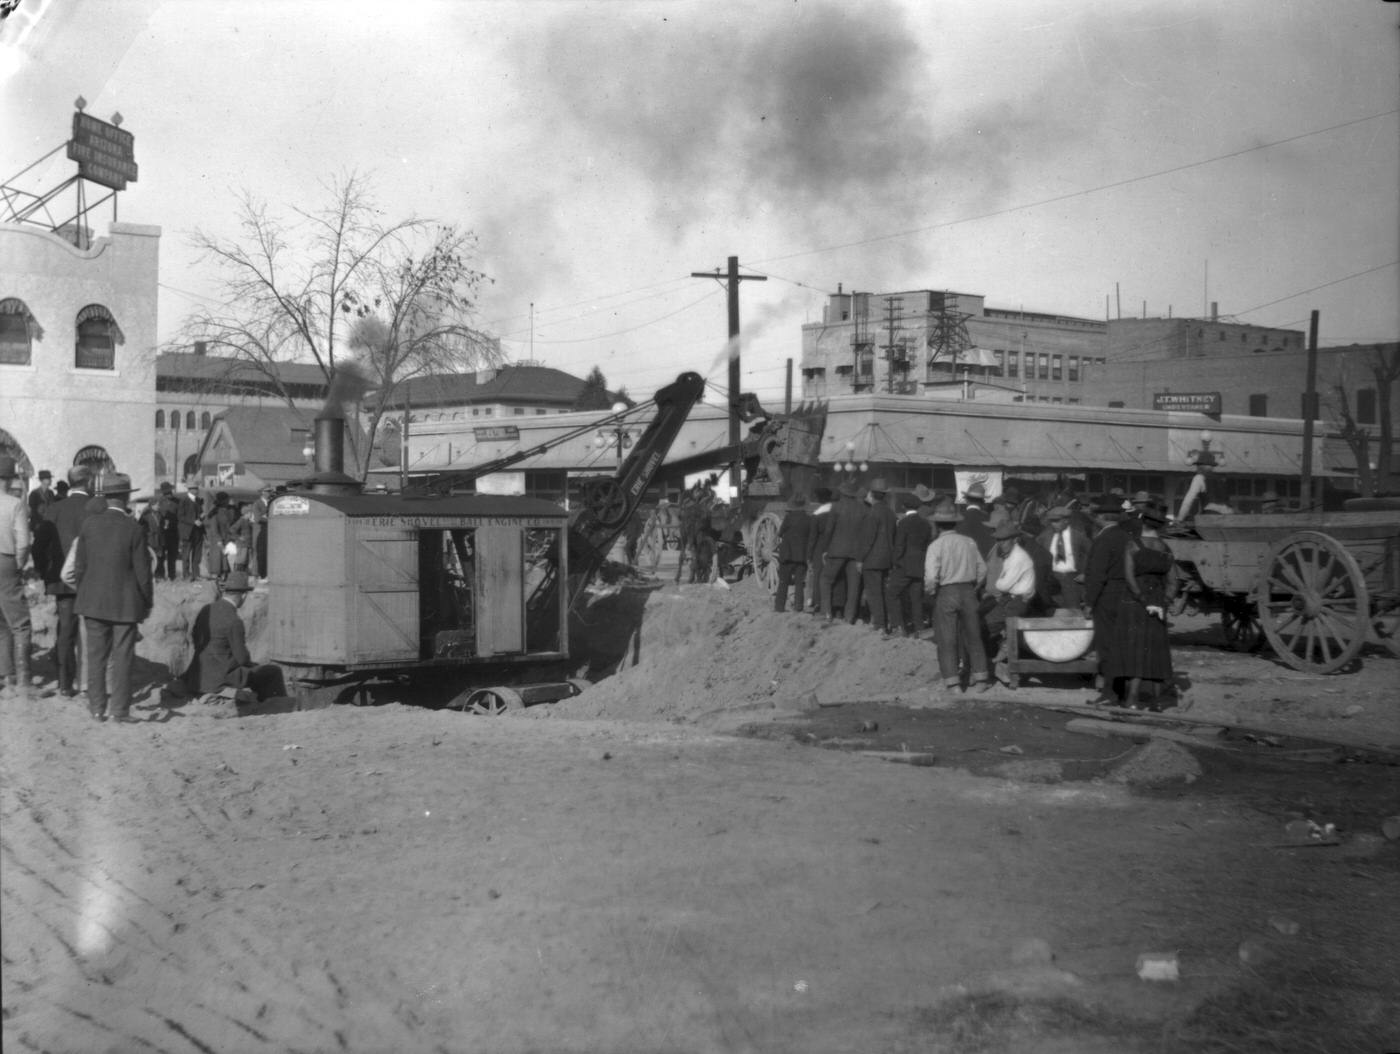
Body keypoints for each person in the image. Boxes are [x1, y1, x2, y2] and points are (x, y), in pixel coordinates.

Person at [69, 473, 153, 723]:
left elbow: (80, 566)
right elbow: (143, 574)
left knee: (96, 658)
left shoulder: (89, 525)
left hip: (93, 602)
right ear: (126, 497)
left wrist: (87, 591)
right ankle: (119, 711)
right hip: (125, 606)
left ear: (104, 498)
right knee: (123, 658)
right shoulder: (134, 528)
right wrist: (146, 603)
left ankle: (96, 709)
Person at [1105, 503, 1180, 710]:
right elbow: (1174, 582)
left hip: (1133, 602)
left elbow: (1129, 579)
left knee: (1134, 651)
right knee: (1155, 650)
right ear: (1160, 526)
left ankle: (1132, 700)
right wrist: (1162, 602)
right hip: (1158, 601)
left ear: (1143, 522)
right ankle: (1157, 702)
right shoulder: (1166, 548)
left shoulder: (1133, 545)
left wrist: (1145, 602)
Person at [41, 466, 97, 698]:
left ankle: (65, 684)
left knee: (66, 630)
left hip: (62, 582)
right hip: (92, 579)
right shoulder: (96, 507)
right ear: (89, 481)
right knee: (92, 631)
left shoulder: (54, 509)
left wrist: (47, 571)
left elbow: (39, 545)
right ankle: (88, 683)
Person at [923, 499, 989, 692]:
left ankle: (953, 683)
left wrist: (932, 592)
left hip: (947, 591)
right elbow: (983, 570)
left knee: (947, 638)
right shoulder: (969, 542)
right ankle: (981, 679)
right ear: (956, 523)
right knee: (974, 636)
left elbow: (930, 578)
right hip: (968, 591)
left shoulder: (936, 546)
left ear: (936, 523)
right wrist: (974, 588)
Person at [183, 570, 276, 703]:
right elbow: (242, 659)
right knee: (272, 672)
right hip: (222, 678)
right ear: (243, 596)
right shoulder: (234, 620)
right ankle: (272, 708)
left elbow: (194, 638)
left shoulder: (206, 609)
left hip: (198, 674)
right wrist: (252, 665)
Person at [1083, 502, 1141, 705]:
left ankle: (1110, 693)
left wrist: (1090, 602)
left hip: (1106, 597)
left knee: (1106, 645)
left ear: (1102, 517)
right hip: (1124, 595)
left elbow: (1097, 575)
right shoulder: (1126, 536)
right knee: (1121, 644)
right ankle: (1122, 691)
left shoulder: (1103, 539)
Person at [980, 518, 1038, 674]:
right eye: (998, 540)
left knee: (989, 624)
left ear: (1014, 539)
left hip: (1017, 600)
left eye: (1004, 540)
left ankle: (1001, 656)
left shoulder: (1017, 557)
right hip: (1012, 598)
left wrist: (999, 583)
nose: (1001, 543)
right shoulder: (1011, 555)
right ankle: (999, 655)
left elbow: (1003, 585)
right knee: (989, 622)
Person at [0, 456, 33, 699]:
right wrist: (19, 565)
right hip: (6, 562)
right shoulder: (14, 504)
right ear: (10, 478)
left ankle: (6, 675)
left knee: (0, 623)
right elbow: (23, 543)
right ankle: (23, 680)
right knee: (20, 623)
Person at [886, 487, 933, 637]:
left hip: (904, 565)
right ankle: (920, 628)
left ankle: (898, 627)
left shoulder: (903, 523)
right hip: (920, 564)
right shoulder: (925, 524)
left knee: (892, 594)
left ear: (904, 507)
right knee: (916, 598)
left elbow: (899, 545)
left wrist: (895, 562)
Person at [820, 481, 866, 624]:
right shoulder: (864, 509)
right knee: (854, 586)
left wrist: (825, 549)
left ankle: (827, 613)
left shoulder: (836, 507)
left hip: (836, 550)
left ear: (843, 493)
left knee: (826, 580)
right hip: (855, 553)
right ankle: (849, 618)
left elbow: (828, 531)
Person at [857, 479, 896, 632]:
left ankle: (879, 624)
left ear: (871, 494)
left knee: (874, 592)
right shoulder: (890, 513)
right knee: (884, 592)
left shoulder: (872, 513)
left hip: (872, 560)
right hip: (887, 559)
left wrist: (860, 559)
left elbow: (868, 539)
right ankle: (887, 622)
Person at [1037, 505, 1090, 610]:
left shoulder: (1078, 536)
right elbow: (1036, 553)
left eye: (1056, 521)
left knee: (1073, 610)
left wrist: (1085, 573)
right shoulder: (1045, 536)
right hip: (1052, 579)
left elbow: (1091, 554)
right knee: (1052, 610)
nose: (1053, 524)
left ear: (1066, 520)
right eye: (1051, 521)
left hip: (1071, 579)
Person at [773, 494, 813, 613]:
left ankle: (779, 607)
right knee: (799, 583)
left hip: (787, 555)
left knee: (783, 582)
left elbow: (780, 533)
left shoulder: (789, 518)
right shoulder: (809, 519)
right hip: (801, 556)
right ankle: (798, 607)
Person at [804, 487, 835, 614]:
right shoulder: (836, 512)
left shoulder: (817, 516)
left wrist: (809, 555)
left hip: (819, 549)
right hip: (834, 548)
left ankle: (818, 603)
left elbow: (812, 538)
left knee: (818, 576)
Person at [957, 481, 995, 557]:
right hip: (983, 561)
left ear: (967, 500)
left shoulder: (958, 518)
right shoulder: (989, 519)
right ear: (983, 502)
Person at [205, 491, 236, 583]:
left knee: (225, 561)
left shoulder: (228, 511)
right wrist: (219, 541)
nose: (228, 501)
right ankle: (215, 578)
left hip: (226, 539)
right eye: (227, 500)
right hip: (217, 540)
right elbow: (214, 529)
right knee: (217, 560)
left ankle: (223, 578)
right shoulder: (215, 512)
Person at [178, 483, 205, 580]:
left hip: (198, 531)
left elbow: (199, 514)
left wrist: (202, 517)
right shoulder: (183, 501)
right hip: (187, 531)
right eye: (195, 489)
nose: (197, 490)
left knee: (197, 554)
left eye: (197, 488)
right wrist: (193, 521)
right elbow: (180, 516)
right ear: (190, 490)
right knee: (186, 554)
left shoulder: (198, 500)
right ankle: (186, 575)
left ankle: (196, 574)